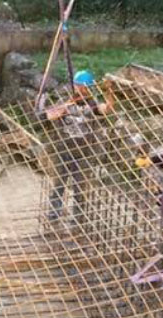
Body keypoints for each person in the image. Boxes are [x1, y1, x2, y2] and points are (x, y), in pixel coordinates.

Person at [42, 70, 111, 223]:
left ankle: (78, 216)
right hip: (63, 150)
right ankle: (54, 213)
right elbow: (48, 116)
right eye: (78, 86)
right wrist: (64, 108)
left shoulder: (92, 106)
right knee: (59, 183)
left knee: (80, 185)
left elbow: (106, 109)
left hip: (83, 152)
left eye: (83, 87)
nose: (80, 89)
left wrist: (108, 92)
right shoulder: (66, 102)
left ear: (89, 88)